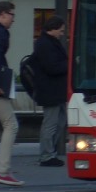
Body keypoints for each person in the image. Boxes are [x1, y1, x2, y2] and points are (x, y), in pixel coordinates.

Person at [0, 1, 24, 187]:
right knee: (11, 125)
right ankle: (3, 172)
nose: (13, 19)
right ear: (1, 14)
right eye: (11, 15)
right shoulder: (0, 32)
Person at [31, 16, 69, 167]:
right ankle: (47, 155)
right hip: (51, 91)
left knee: (59, 122)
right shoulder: (45, 44)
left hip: (54, 90)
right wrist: (70, 64)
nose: (62, 33)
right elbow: (52, 67)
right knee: (52, 123)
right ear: (52, 29)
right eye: (61, 30)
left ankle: (49, 153)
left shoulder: (47, 42)